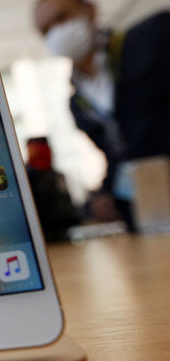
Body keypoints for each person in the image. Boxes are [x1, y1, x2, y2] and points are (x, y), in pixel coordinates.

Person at [33, 1, 170, 228]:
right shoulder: (77, 103)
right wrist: (103, 198)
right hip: (151, 213)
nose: (57, 32)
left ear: (90, 10)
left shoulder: (152, 38)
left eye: (62, 17)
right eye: (46, 30)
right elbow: (118, 155)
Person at [25, 137, 80, 242]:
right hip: (39, 233)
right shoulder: (26, 177)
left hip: (60, 233)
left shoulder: (56, 176)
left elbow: (66, 208)